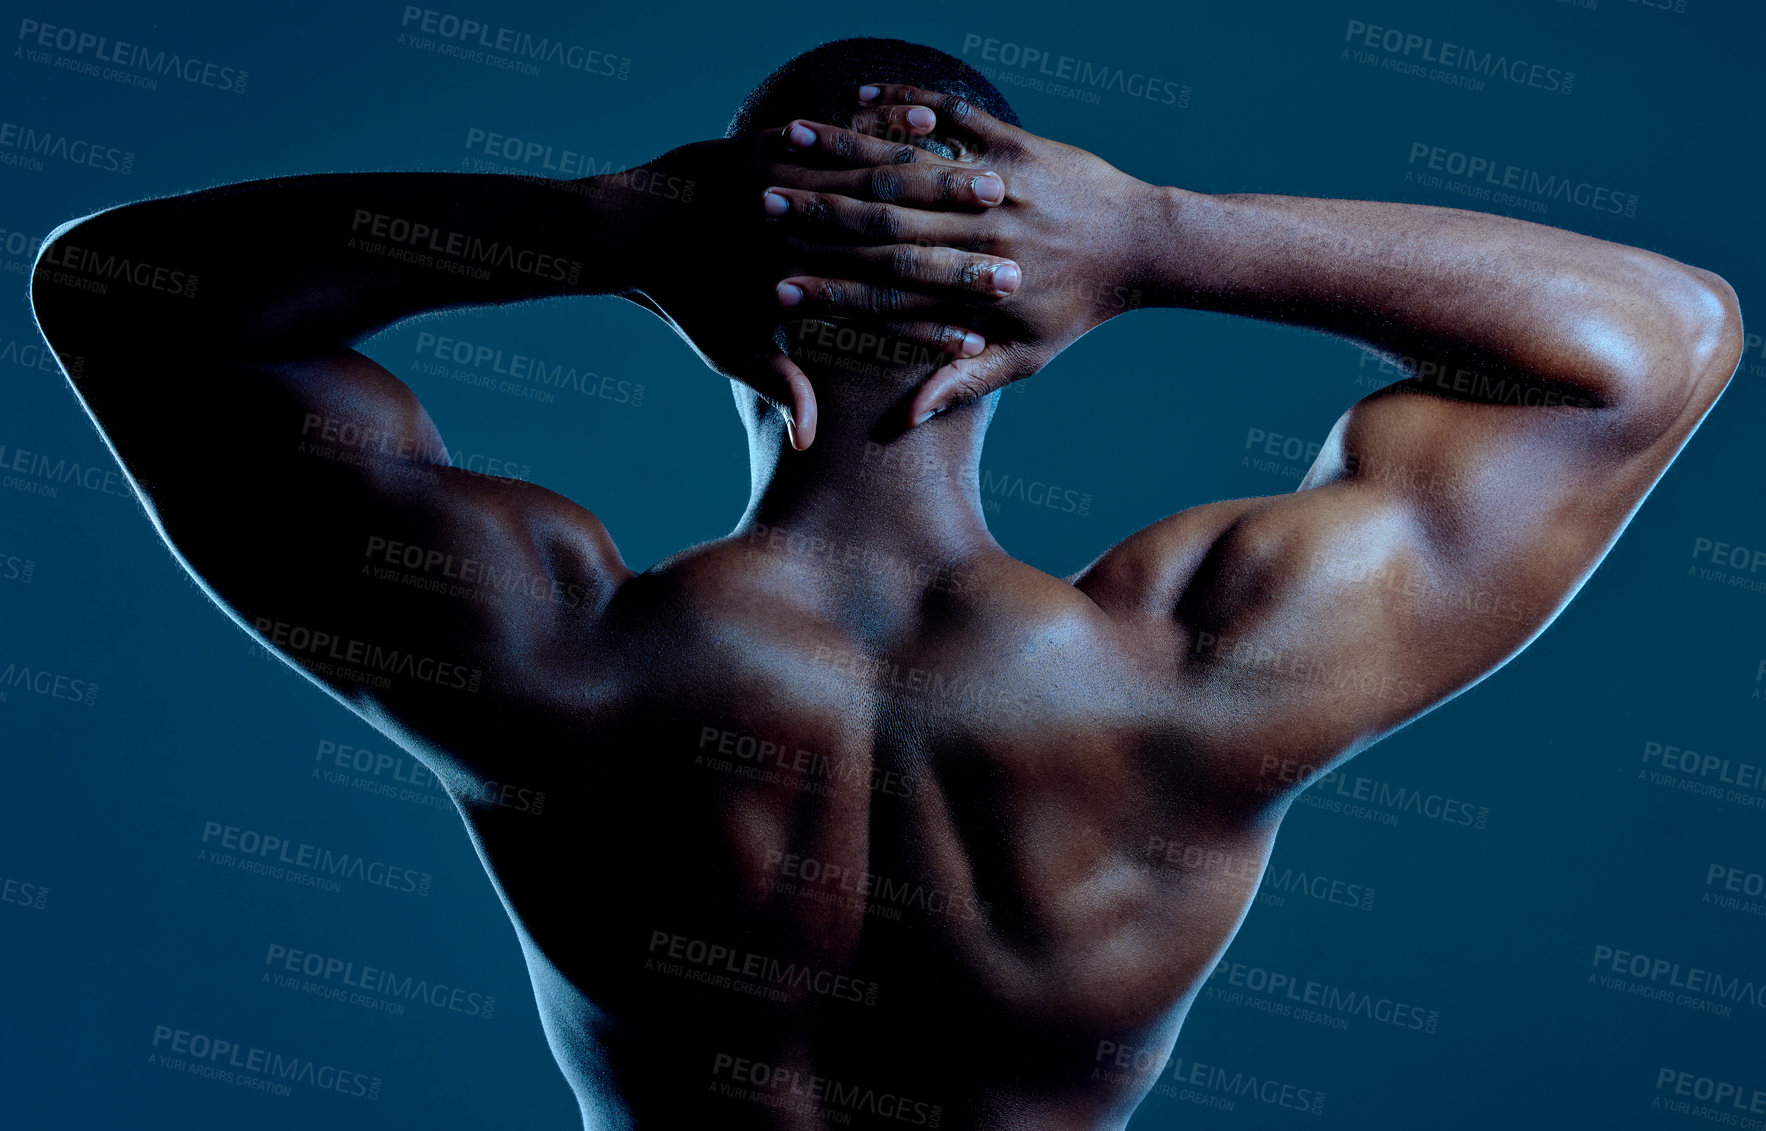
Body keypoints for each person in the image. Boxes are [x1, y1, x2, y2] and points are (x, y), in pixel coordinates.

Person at [28, 35, 1742, 1131]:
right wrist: (1155, 240)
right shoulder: (1196, 679)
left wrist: (600, 233)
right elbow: (1654, 345)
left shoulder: (549, 661)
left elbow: (125, 297)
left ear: (729, 303)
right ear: (1018, 331)